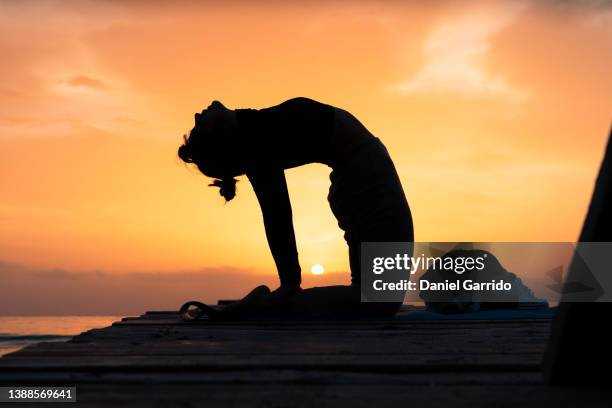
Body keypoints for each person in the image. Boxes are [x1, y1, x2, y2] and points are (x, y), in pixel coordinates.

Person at [178, 97, 413, 320]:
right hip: (366, 178)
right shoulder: (255, 144)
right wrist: (290, 282)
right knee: (379, 301)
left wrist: (290, 283)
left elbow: (275, 213)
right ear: (223, 138)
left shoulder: (256, 127)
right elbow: (276, 214)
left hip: (361, 176)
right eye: (199, 128)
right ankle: (268, 306)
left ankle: (271, 304)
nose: (197, 115)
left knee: (377, 299)